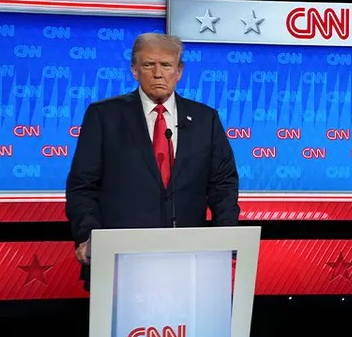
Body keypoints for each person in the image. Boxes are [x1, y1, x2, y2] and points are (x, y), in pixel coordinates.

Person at [66, 32, 240, 281]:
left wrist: (226, 238)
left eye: (166, 65)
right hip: (120, 261)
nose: (158, 73)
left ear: (179, 71)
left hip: (189, 260)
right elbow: (82, 186)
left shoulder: (205, 119)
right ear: (134, 70)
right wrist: (90, 237)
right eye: (148, 65)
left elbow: (224, 185)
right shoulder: (104, 116)